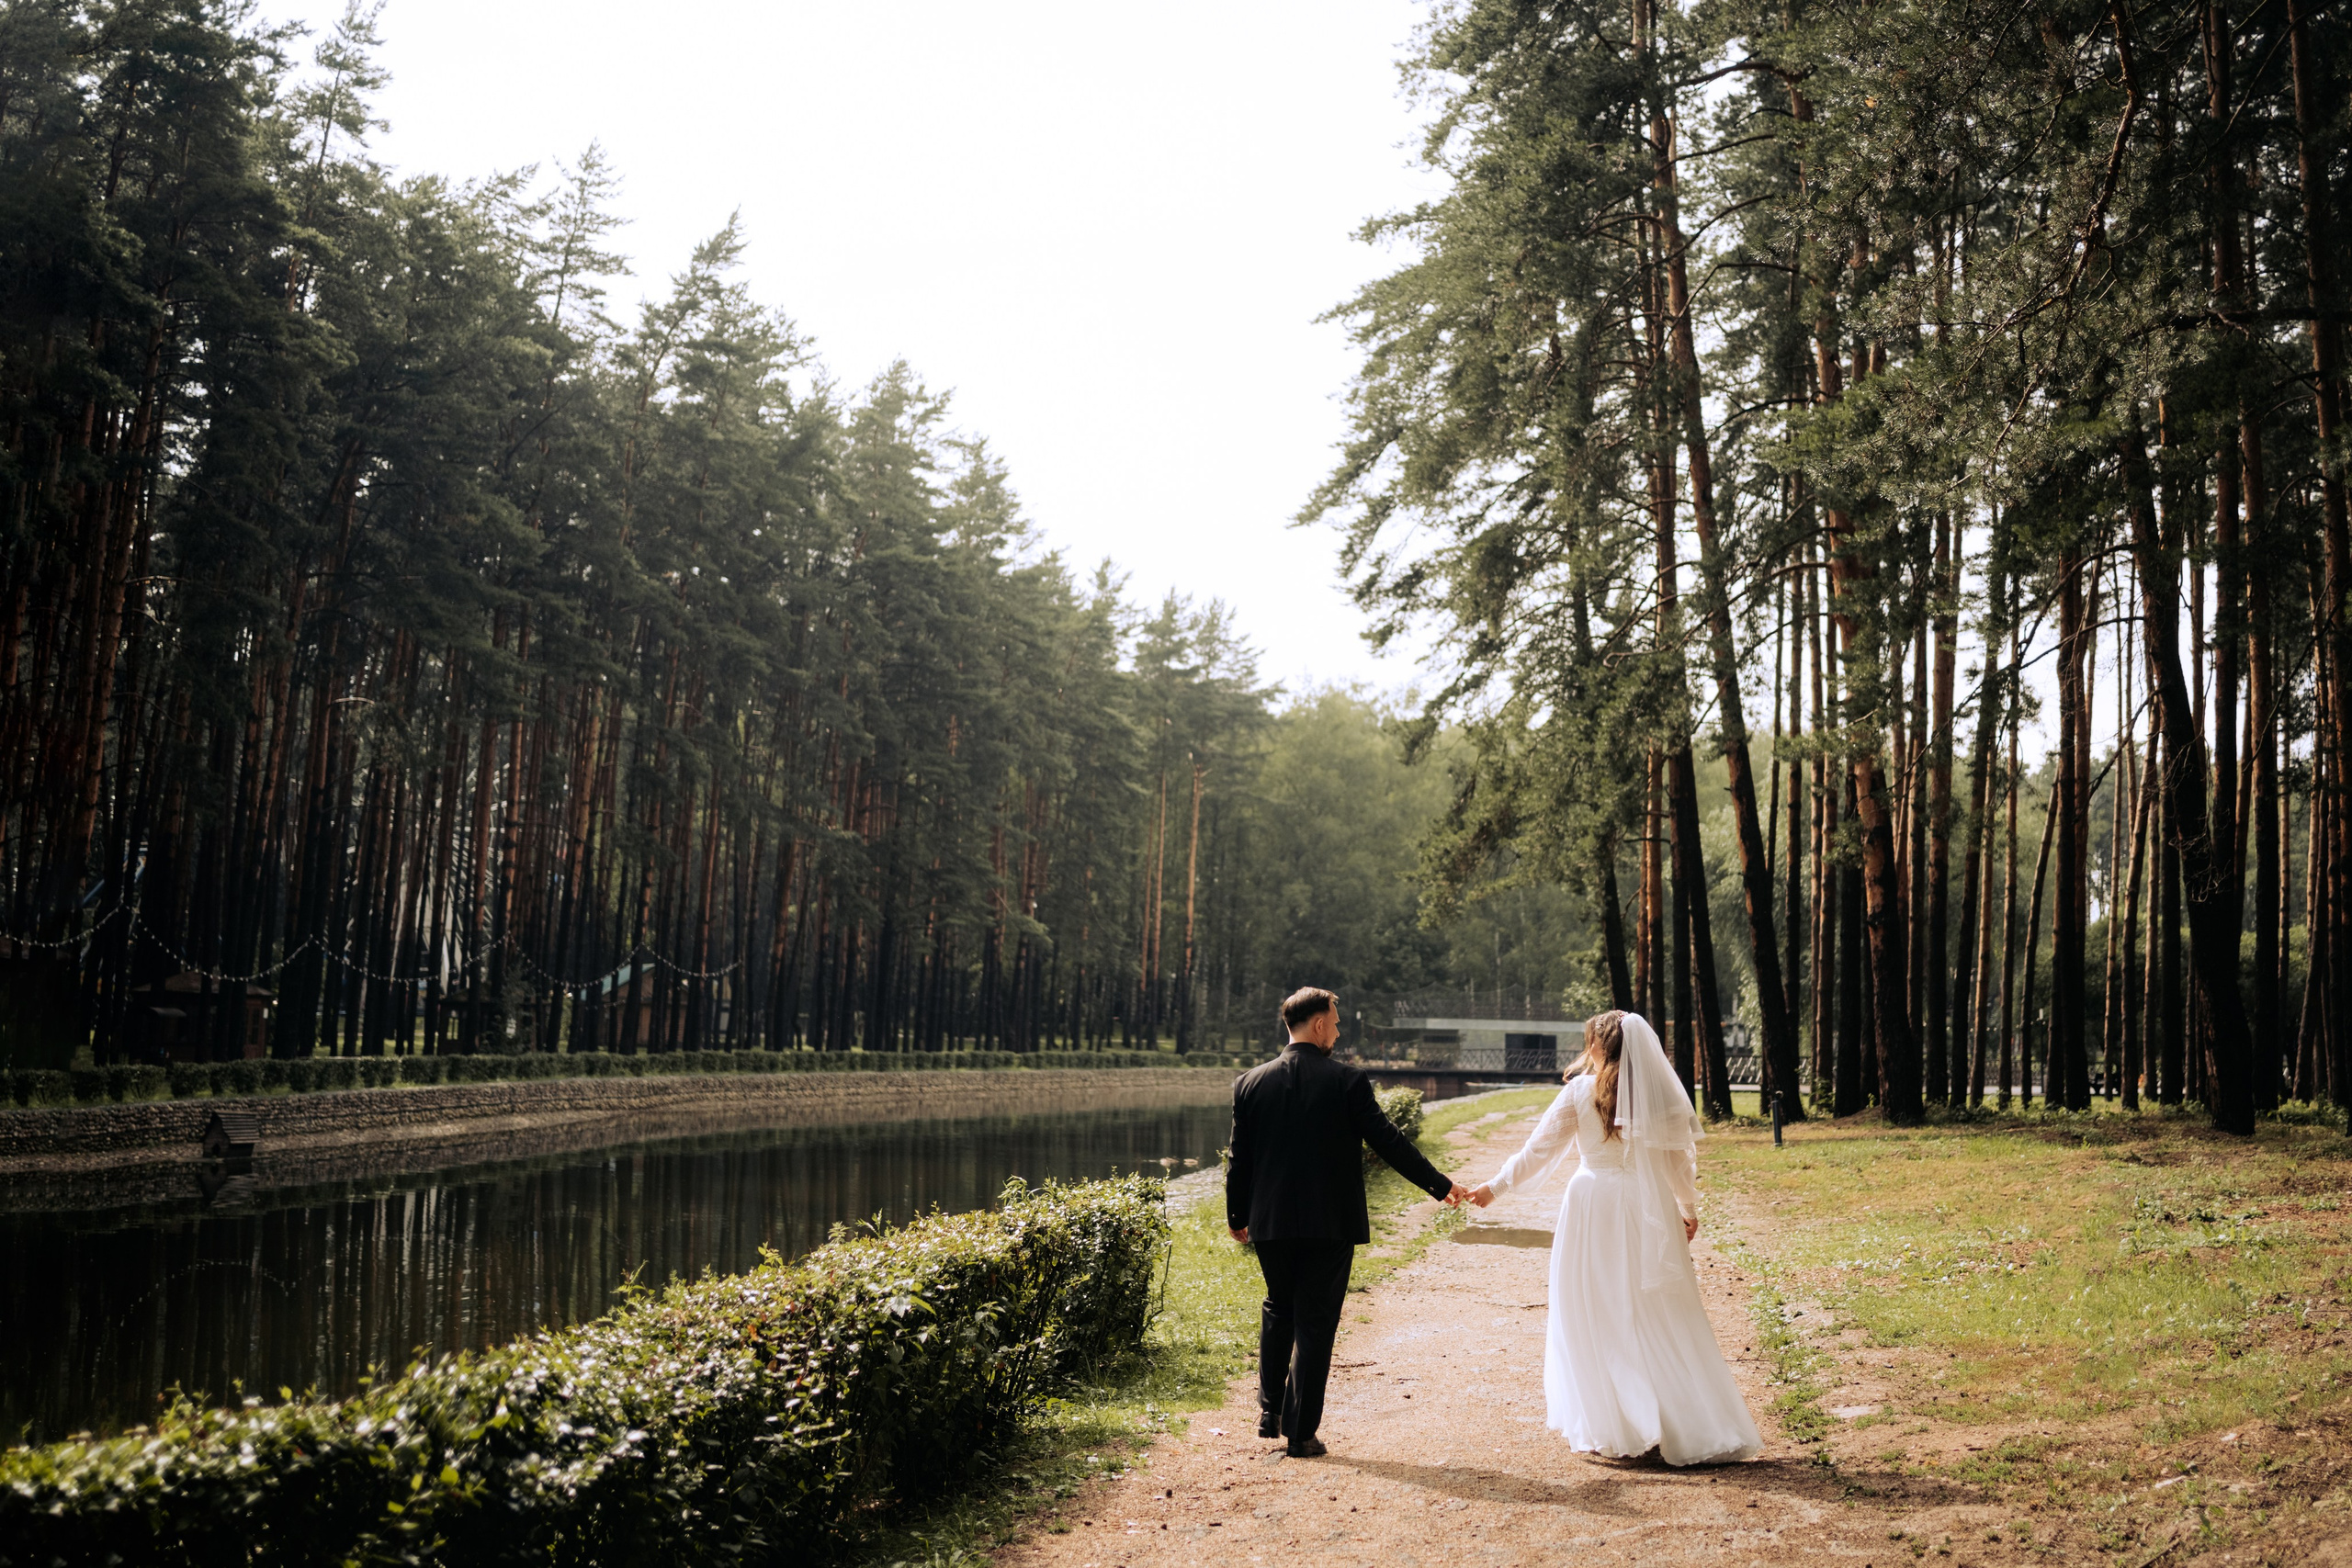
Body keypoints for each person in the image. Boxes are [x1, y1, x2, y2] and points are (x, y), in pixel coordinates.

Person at [1468, 1009, 1761, 1466]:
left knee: (1594, 1311)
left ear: (1598, 1046)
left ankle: (1617, 1423)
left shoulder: (1580, 1093)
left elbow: (1538, 1150)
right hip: (1648, 1207)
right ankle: (1679, 1419)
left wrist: (1495, 1187)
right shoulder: (1657, 1094)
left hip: (1592, 1205)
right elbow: (1677, 1163)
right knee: (1659, 1312)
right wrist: (1687, 1210)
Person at [1227, 986, 1469, 1458]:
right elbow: (1389, 1143)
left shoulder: (1249, 1082)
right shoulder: (1347, 1081)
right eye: (1335, 1023)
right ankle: (1300, 1434)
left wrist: (1238, 1215)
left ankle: (1270, 1410)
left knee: (1279, 1306)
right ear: (1318, 1025)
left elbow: (1240, 1159)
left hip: (1270, 1222)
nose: (1337, 1031)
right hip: (1329, 1223)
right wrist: (1440, 1186)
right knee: (1315, 1322)